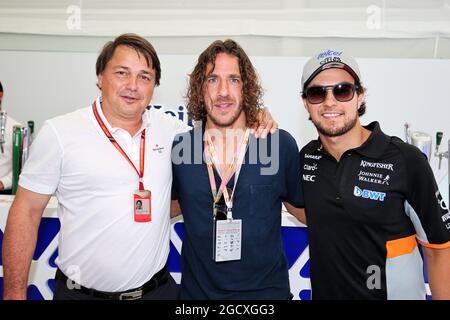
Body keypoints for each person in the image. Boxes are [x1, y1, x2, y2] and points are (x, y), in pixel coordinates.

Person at [2, 34, 277, 300]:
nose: (133, 85)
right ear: (100, 77)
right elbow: (26, 212)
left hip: (156, 293)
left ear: (154, 85)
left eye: (144, 77)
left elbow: (222, 133)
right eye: (122, 73)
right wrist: (15, 292)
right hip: (80, 294)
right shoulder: (61, 133)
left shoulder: (175, 134)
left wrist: (256, 116)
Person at [297, 49, 450, 299]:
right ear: (306, 102)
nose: (330, 102)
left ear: (360, 96)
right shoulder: (307, 158)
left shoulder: (405, 160)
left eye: (342, 90)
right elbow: (308, 209)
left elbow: (439, 250)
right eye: (317, 93)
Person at [171, 39, 304, 299]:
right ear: (200, 88)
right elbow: (163, 210)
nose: (223, 91)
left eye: (233, 79)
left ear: (247, 88)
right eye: (212, 80)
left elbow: (306, 213)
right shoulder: (180, 149)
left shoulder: (278, 144)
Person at [0, 80, 22, 193]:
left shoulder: (16, 129)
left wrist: (3, 182)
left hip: (3, 192)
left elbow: (22, 166)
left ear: (0, 94)